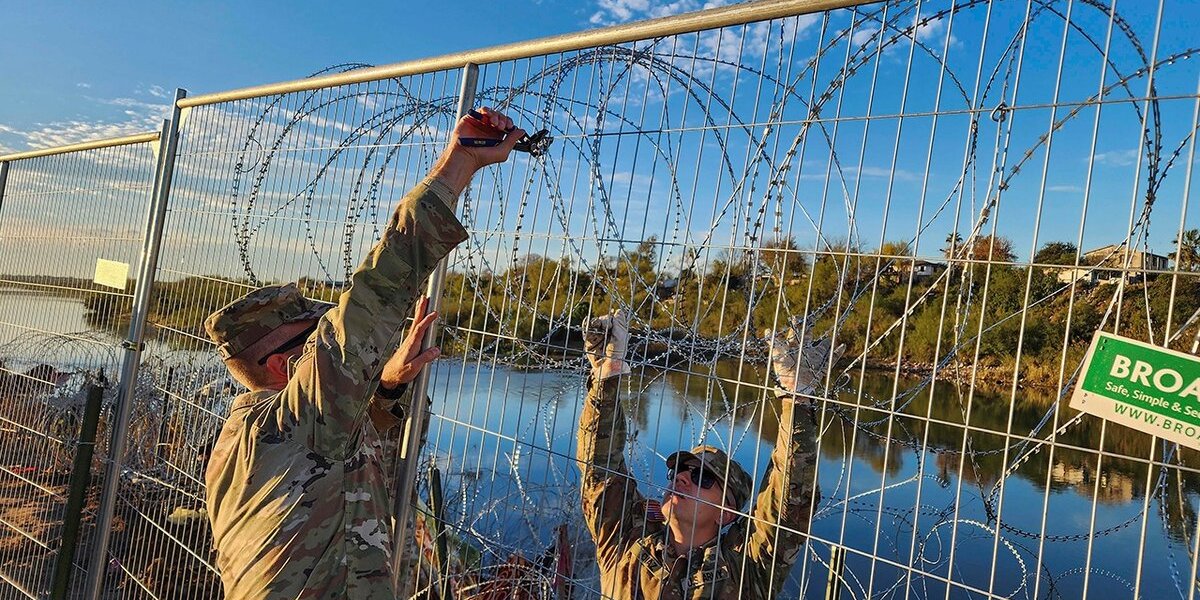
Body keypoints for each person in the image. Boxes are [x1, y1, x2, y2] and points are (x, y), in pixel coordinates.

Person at [202, 108, 525, 599]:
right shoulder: (295, 422)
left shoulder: (252, 437)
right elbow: (377, 291)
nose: (327, 343)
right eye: (314, 338)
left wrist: (389, 384)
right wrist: (459, 161)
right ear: (282, 366)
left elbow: (335, 459)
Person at [576, 311, 843, 599]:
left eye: (702, 477)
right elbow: (600, 475)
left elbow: (786, 508)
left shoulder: (745, 569)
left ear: (726, 513)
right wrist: (607, 375)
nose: (680, 477)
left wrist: (797, 398)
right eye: (678, 470)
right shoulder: (626, 542)